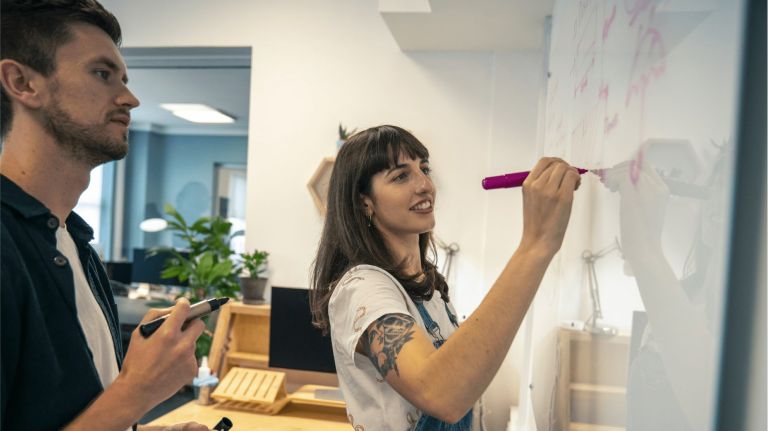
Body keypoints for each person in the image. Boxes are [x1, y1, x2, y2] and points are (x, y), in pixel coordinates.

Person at [0, 1, 209, 430]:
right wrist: (139, 389)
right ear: (22, 82)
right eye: (102, 74)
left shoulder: (76, 245)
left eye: (124, 79)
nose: (129, 99)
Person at [310, 125, 581, 430]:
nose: (425, 185)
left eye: (424, 169)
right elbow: (440, 394)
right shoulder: (363, 288)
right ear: (364, 202)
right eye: (401, 176)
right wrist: (535, 244)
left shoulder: (429, 287)